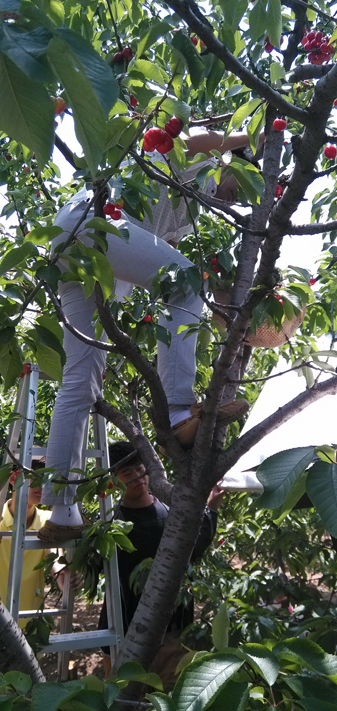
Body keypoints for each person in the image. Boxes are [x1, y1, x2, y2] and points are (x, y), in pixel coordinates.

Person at [38, 129, 256, 545]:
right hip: (95, 222)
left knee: (81, 379)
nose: (239, 198)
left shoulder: (190, 210)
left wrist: (224, 309)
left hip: (81, 247)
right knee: (188, 283)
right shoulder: (192, 158)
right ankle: (177, 413)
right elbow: (190, 138)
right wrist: (257, 132)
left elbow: (161, 271)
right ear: (231, 161)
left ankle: (63, 510)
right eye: (243, 185)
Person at [98, 441, 224, 686]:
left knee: (171, 694)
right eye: (127, 473)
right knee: (126, 699)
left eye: (140, 468)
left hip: (173, 631)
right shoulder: (113, 524)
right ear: (112, 481)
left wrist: (212, 509)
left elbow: (192, 550)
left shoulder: (169, 509)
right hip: (127, 633)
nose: (138, 477)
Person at [0, 464, 80, 628]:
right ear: (14, 479)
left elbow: (55, 557)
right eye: (36, 478)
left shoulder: (48, 520)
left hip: (31, 623)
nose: (43, 485)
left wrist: (63, 575)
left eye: (46, 480)